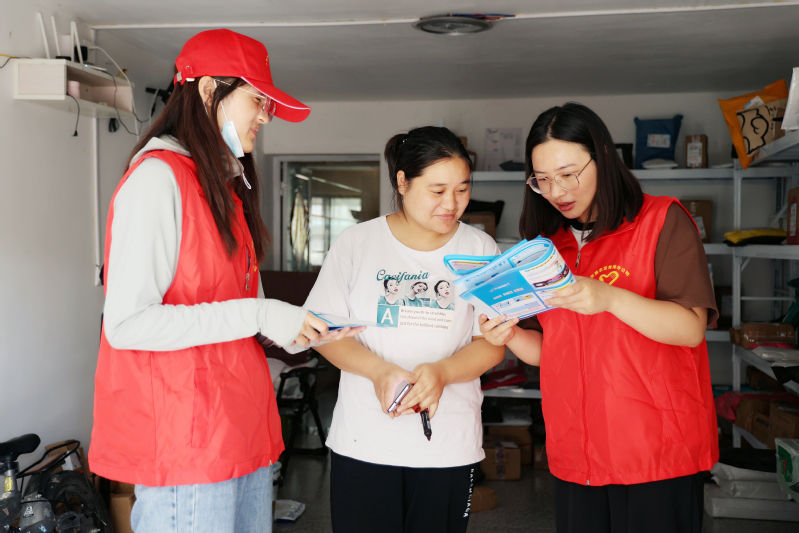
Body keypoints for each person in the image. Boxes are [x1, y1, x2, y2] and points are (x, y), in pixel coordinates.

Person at [89, 29, 360, 533]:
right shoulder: (157, 179)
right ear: (210, 89)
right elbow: (127, 324)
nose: (266, 117)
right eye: (258, 100)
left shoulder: (222, 187)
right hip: (188, 442)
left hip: (239, 431)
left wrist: (294, 329)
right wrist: (261, 314)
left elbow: (239, 310)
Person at [479, 103, 719, 533]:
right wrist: (508, 334)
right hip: (577, 452)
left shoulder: (662, 221)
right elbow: (550, 352)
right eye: (542, 179)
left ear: (603, 157)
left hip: (656, 451)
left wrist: (610, 298)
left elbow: (690, 328)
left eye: (568, 173)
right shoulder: (545, 247)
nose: (557, 191)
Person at [298, 126, 505, 533]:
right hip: (364, 441)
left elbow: (492, 344)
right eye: (437, 190)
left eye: (462, 189)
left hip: (447, 445)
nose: (452, 203)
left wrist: (443, 373)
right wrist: (379, 372)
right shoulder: (357, 243)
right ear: (403, 182)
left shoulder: (480, 249)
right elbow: (322, 331)